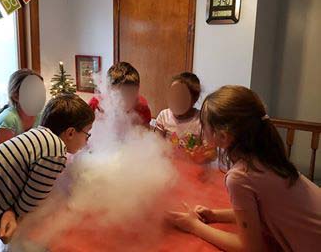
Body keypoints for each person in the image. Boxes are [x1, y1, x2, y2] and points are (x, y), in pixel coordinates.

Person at [168, 85, 321, 251]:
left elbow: (250, 248)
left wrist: (194, 226)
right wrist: (214, 215)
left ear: (223, 136)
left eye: (204, 124)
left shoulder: (240, 176)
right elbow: (261, 211)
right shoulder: (268, 156)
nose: (202, 128)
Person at [0, 94, 95, 251]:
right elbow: (31, 201)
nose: (87, 141)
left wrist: (12, 211)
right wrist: (14, 213)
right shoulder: (55, 150)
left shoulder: (37, 135)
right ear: (71, 132)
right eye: (87, 134)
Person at [89, 62, 151, 126]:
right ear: (108, 89)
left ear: (137, 90)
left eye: (131, 94)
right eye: (120, 95)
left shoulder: (142, 107)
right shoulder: (95, 104)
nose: (126, 101)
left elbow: (146, 133)